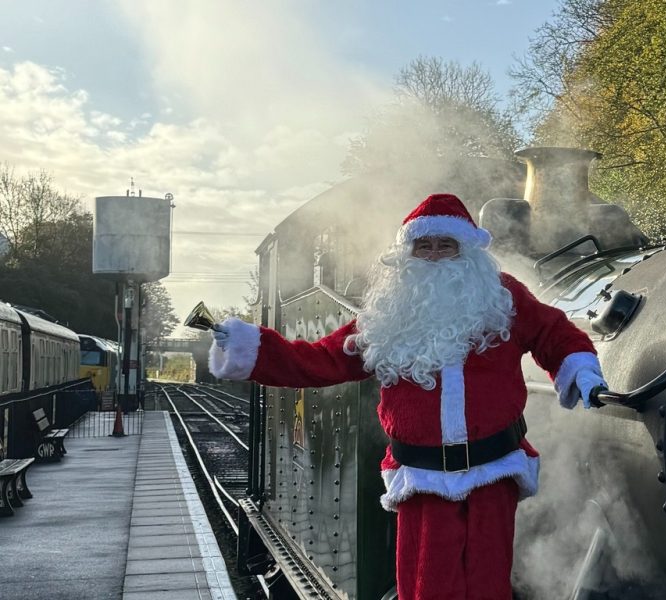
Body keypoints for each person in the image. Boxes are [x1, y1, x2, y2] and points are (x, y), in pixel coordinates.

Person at [208, 193, 606, 600]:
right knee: (428, 587)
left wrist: (580, 367)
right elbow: (322, 360)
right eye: (424, 246)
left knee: (490, 584)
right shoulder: (388, 312)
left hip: (494, 472)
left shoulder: (502, 296)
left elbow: (553, 333)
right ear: (408, 253)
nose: (434, 256)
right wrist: (251, 348)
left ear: (466, 249)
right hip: (422, 481)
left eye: (445, 245)